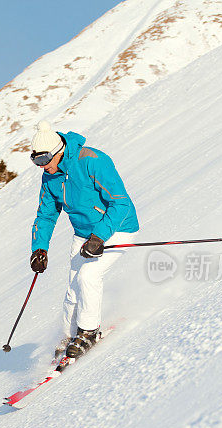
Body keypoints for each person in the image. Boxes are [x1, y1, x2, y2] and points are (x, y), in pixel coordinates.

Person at [28, 120, 139, 361]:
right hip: (83, 234)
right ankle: (69, 336)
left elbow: (121, 203)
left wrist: (99, 237)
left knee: (89, 276)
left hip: (117, 228)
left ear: (58, 151)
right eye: (36, 161)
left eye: (44, 160)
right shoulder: (50, 175)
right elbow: (46, 214)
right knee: (73, 288)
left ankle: (88, 331)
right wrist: (39, 248)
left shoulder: (92, 161)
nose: (42, 167)